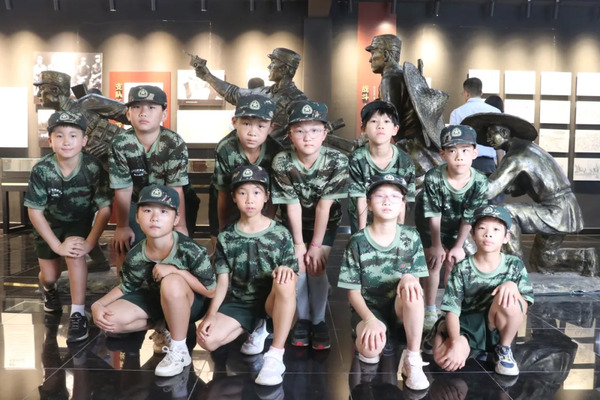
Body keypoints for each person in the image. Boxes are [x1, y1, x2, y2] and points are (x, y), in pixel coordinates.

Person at [91, 184, 216, 377]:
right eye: (147, 210)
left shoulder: (190, 249)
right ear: (137, 217)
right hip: (157, 300)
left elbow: (211, 290)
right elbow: (126, 286)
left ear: (176, 219)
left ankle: (179, 350)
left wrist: (177, 271)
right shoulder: (136, 254)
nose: (155, 217)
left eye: (164, 211)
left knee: (171, 281)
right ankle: (163, 325)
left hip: (191, 304)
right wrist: (98, 304)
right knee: (109, 320)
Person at [197, 165, 298, 386]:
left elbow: (294, 276)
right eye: (242, 193)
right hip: (241, 302)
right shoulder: (226, 237)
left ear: (266, 197)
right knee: (207, 340)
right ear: (233, 197)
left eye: (256, 192)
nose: (250, 199)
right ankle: (255, 325)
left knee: (286, 280)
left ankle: (275, 355)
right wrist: (211, 315)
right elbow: (222, 280)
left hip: (272, 301)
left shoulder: (281, 233)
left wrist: (285, 271)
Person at [462, 112, 595, 274]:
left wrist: (461, 182)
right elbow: (515, 186)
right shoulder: (527, 149)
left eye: (491, 134)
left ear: (504, 132)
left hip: (556, 210)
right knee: (543, 261)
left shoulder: (516, 156)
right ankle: (585, 258)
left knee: (505, 213)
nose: (488, 139)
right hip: (564, 208)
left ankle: (513, 268)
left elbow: (490, 190)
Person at [25, 111, 112, 342]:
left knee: (75, 253)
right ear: (50, 140)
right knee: (50, 276)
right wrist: (56, 246)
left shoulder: (92, 168)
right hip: (49, 226)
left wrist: (90, 243)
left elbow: (105, 208)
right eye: (59, 135)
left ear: (84, 140)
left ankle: (77, 313)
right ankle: (49, 290)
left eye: (73, 135)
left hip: (78, 223)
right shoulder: (42, 170)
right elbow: (35, 211)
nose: (66, 141)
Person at [338, 173, 430, 391]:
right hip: (369, 311)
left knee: (413, 290)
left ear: (402, 205)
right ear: (369, 204)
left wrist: (409, 277)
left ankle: (412, 358)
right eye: (380, 196)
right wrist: (369, 320)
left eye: (395, 196)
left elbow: (415, 281)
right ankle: (379, 339)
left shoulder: (411, 237)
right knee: (370, 350)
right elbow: (353, 292)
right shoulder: (358, 241)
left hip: (399, 308)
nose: (387, 201)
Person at [271, 100, 349, 349]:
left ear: (325, 133)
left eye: (315, 130)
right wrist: (298, 244)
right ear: (289, 134)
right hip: (291, 223)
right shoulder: (282, 161)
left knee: (316, 265)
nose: (308, 137)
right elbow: (291, 205)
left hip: (325, 223)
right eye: (300, 130)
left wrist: (315, 246)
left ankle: (319, 321)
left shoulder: (337, 160)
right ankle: (303, 320)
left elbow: (324, 206)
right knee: (299, 267)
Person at [425, 205, 534, 377]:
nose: (488, 234)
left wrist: (512, 287)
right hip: (468, 324)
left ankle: (503, 349)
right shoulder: (462, 268)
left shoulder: (514, 265)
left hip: (496, 324)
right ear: (473, 234)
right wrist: (455, 342)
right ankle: (441, 332)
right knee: (444, 360)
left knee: (510, 297)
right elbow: (452, 310)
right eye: (482, 228)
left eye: (496, 229)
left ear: (506, 237)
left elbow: (524, 307)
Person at [109, 85, 192, 270]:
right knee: (126, 243)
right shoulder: (120, 143)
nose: (143, 113)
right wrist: (122, 226)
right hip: (135, 200)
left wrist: (180, 225)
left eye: (151, 107)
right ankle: (126, 283)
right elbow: (123, 188)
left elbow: (176, 188)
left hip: (169, 200)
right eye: (136, 107)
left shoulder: (173, 142)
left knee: (175, 244)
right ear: (128, 114)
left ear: (164, 114)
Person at [415, 125, 488, 331]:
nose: (459, 156)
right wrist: (436, 245)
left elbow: (469, 217)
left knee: (454, 262)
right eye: (452, 150)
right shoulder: (434, 177)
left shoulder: (480, 181)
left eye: (465, 150)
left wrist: (457, 246)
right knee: (434, 261)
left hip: (459, 225)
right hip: (431, 224)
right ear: (443, 154)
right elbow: (433, 214)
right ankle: (430, 309)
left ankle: (450, 309)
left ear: (475, 153)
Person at [365, 34, 446, 178]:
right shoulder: (400, 74)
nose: (370, 59)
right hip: (422, 147)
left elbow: (388, 119)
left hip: (412, 150)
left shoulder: (389, 78)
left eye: (373, 53)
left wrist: (366, 139)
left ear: (386, 55)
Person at [190, 47, 307, 139]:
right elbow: (233, 93)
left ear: (284, 68)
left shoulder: (298, 100)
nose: (269, 66)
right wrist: (207, 76)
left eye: (273, 62)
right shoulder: (263, 92)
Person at [212, 94, 281, 235]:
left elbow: (273, 195)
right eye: (246, 124)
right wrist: (223, 231)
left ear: (271, 128)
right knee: (221, 236)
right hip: (227, 195)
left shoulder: (276, 151)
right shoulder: (225, 149)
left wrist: (267, 227)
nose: (252, 133)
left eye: (261, 126)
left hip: (260, 199)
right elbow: (223, 193)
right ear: (234, 122)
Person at [348, 100, 416, 233]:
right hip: (362, 219)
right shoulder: (357, 158)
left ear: (395, 129)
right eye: (374, 121)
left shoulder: (405, 161)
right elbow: (360, 199)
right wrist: (361, 235)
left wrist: (398, 232)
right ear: (363, 129)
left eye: (386, 121)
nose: (380, 126)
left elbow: (403, 201)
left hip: (390, 219)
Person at [449, 77, 501, 175]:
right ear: (481, 93)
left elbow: (453, 142)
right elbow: (500, 144)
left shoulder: (457, 113)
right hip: (488, 164)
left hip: (464, 164)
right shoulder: (496, 112)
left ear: (466, 93)